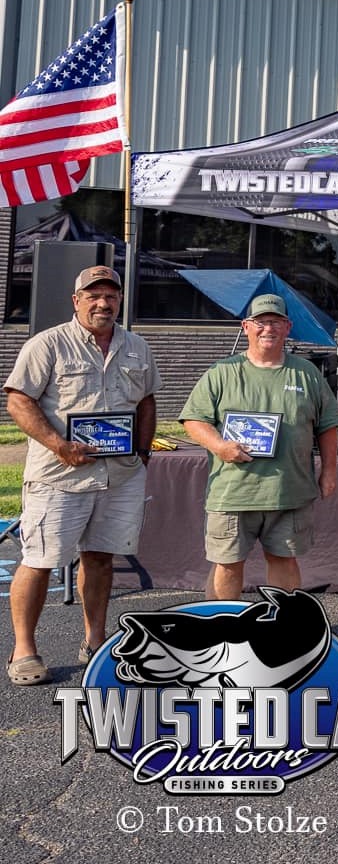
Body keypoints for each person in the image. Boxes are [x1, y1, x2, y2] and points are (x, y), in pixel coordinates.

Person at [5, 266, 156, 687]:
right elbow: (19, 401)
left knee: (101, 557)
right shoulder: (47, 344)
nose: (102, 303)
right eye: (93, 296)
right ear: (76, 301)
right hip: (59, 476)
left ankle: (95, 641)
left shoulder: (137, 347)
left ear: (119, 301)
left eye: (110, 296)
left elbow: (146, 402)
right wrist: (59, 445)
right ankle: (24, 650)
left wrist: (142, 451)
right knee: (39, 561)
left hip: (120, 476)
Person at [181, 293, 338, 602]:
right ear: (246, 327)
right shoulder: (222, 372)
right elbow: (193, 419)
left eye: (276, 322)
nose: (268, 328)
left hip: (289, 491)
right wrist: (220, 446)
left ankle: (282, 628)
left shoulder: (307, 373)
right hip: (233, 492)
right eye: (261, 322)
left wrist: (330, 472)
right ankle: (221, 629)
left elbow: (328, 426)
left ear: (287, 327)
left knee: (284, 561)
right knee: (227, 565)